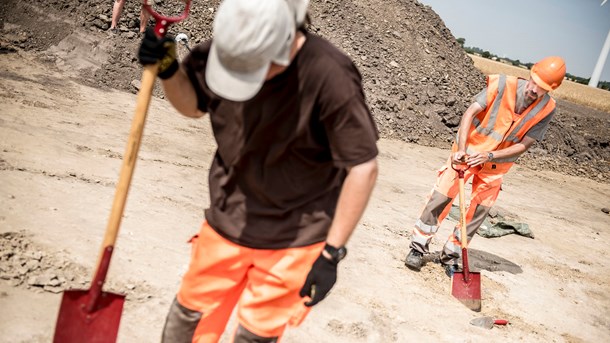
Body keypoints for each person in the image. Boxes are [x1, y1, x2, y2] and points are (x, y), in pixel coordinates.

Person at [137, 0, 379, 341]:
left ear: (286, 45)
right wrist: (168, 70)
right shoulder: (223, 50)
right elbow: (193, 106)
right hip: (226, 220)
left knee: (256, 335)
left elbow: (362, 167)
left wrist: (331, 253)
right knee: (189, 323)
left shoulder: (330, 75)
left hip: (294, 239)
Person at [404, 56, 566, 275]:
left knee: (477, 213)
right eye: (534, 82)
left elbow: (525, 144)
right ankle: (417, 248)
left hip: (495, 166)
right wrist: (461, 149)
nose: (535, 90)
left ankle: (451, 255)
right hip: (468, 152)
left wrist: (490, 156)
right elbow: (470, 113)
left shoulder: (547, 109)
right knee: (440, 198)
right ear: (531, 74)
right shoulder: (502, 85)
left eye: (542, 88)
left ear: (552, 89)